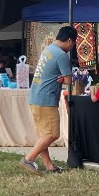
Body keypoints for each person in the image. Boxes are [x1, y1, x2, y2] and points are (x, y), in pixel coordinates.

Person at [20, 26, 74, 173]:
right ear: (70, 40)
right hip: (46, 99)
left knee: (43, 135)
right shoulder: (62, 55)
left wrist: (61, 77)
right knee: (52, 134)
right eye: (73, 44)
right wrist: (64, 78)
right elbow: (69, 80)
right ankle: (28, 159)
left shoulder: (48, 49)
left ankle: (50, 166)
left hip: (35, 96)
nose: (72, 47)